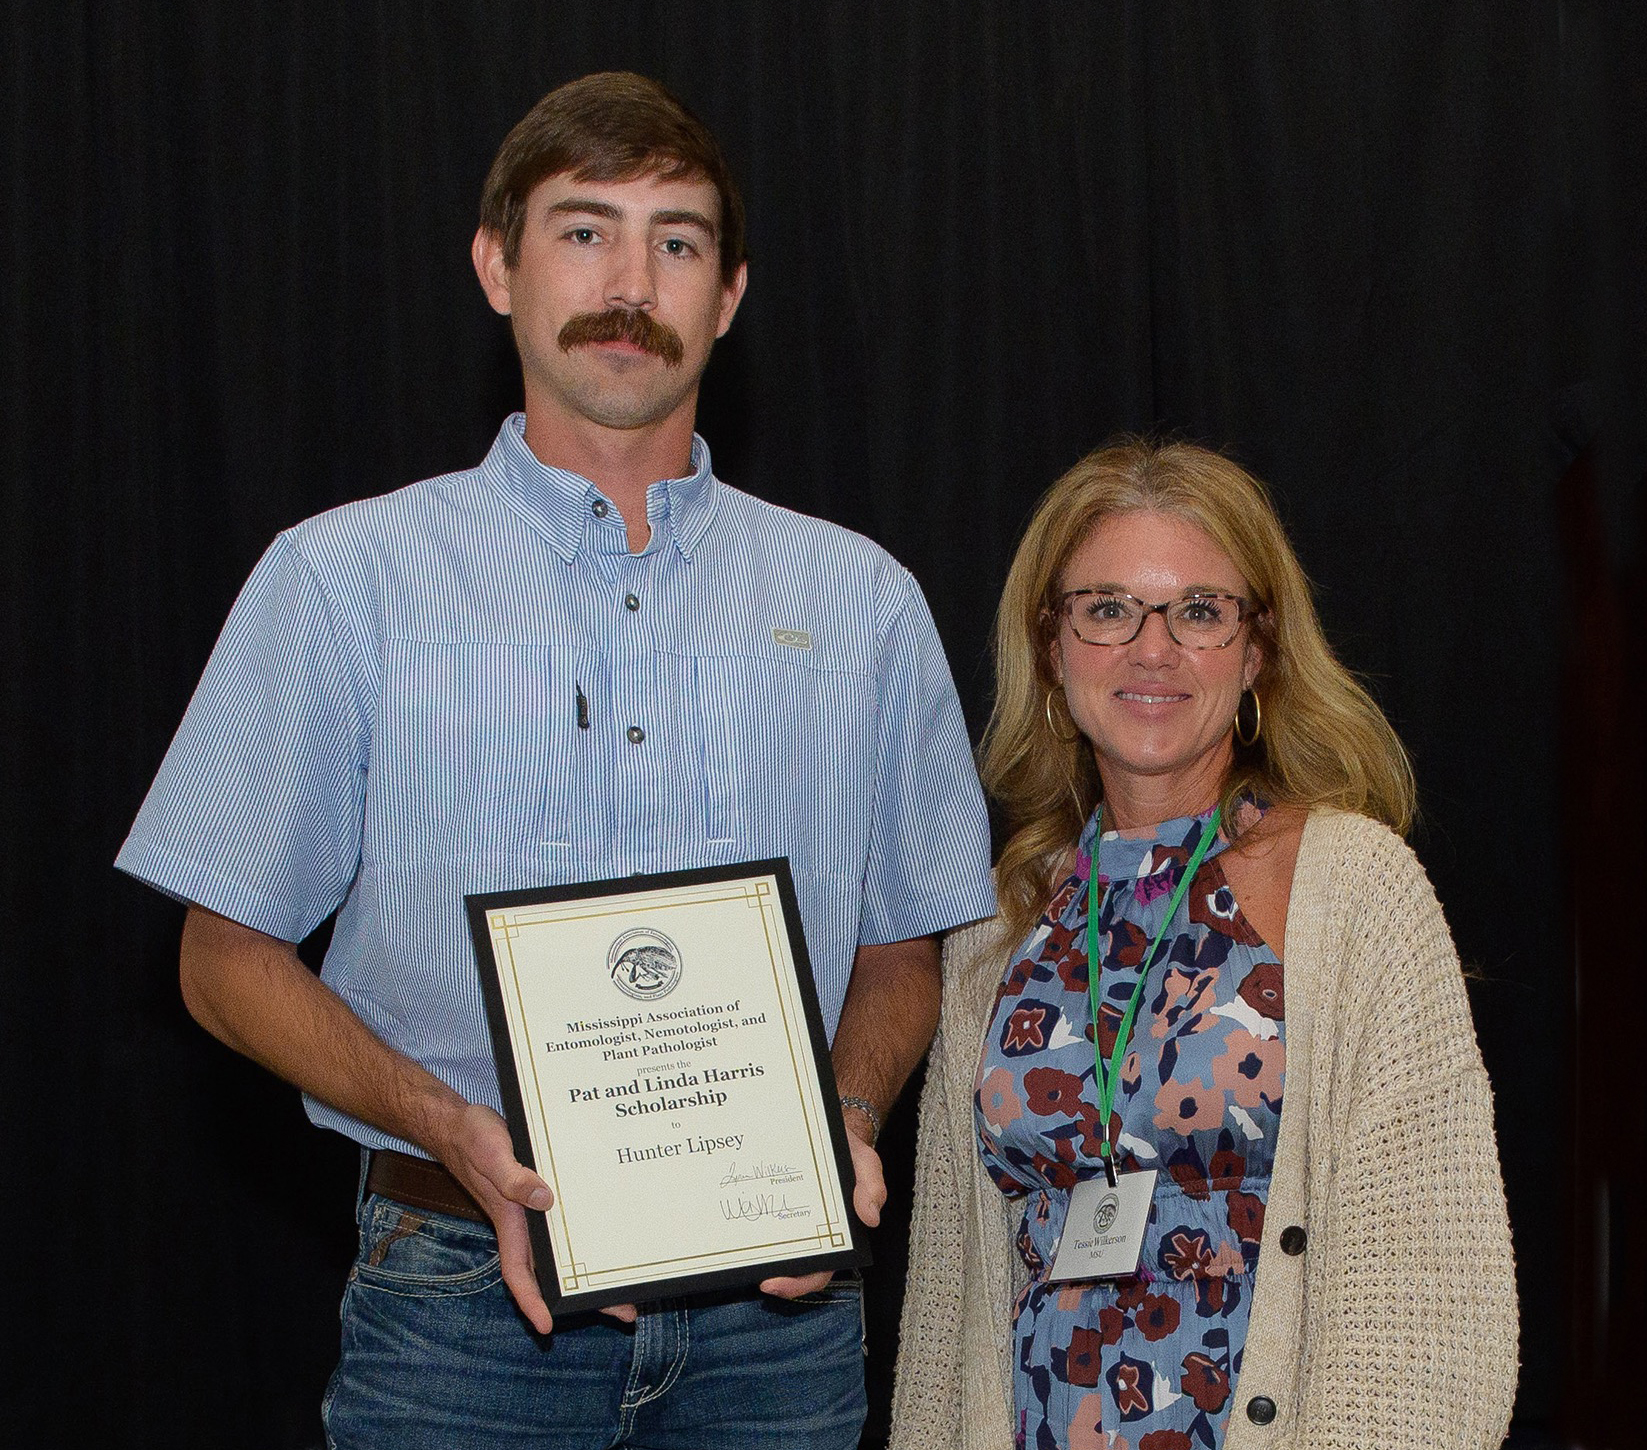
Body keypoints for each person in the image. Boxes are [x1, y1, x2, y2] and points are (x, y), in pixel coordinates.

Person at [117, 72, 994, 1449]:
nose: (631, 282)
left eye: (679, 241)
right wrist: (445, 1119)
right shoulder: (342, 581)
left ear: (730, 293)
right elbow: (219, 955)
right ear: (496, 266)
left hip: (782, 1317)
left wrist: (848, 1106)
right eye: (585, 230)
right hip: (459, 1296)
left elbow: (902, 950)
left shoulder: (862, 600)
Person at [889, 439, 1517, 1449]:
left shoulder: (1355, 893)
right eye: (1106, 609)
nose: (1152, 649)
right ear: (1051, 645)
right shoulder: (993, 935)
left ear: (1257, 648)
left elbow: (1434, 1308)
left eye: (1197, 611)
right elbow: (941, 1318)